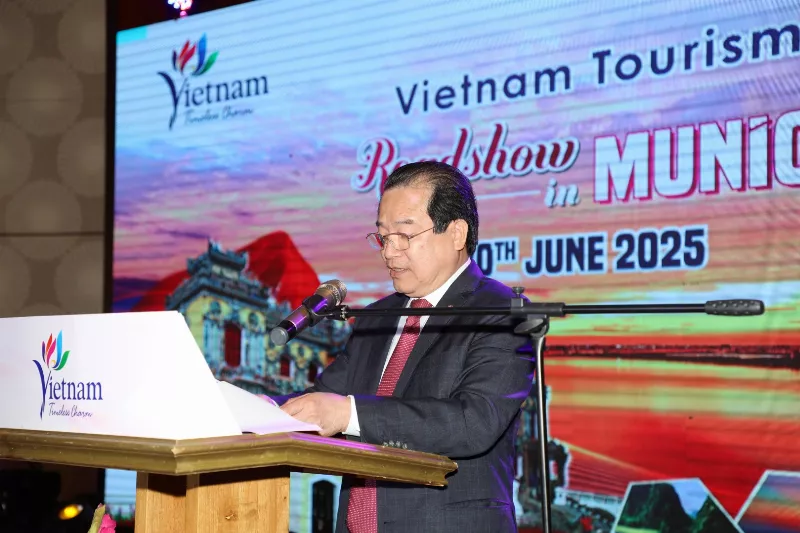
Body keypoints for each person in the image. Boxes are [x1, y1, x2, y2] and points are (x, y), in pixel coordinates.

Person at [277, 161, 534, 532]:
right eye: (383, 236)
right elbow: (317, 404)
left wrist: (349, 414)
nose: (389, 252)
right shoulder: (376, 317)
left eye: (405, 235)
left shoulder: (501, 311)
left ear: (456, 233)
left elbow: (474, 421)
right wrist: (249, 409)